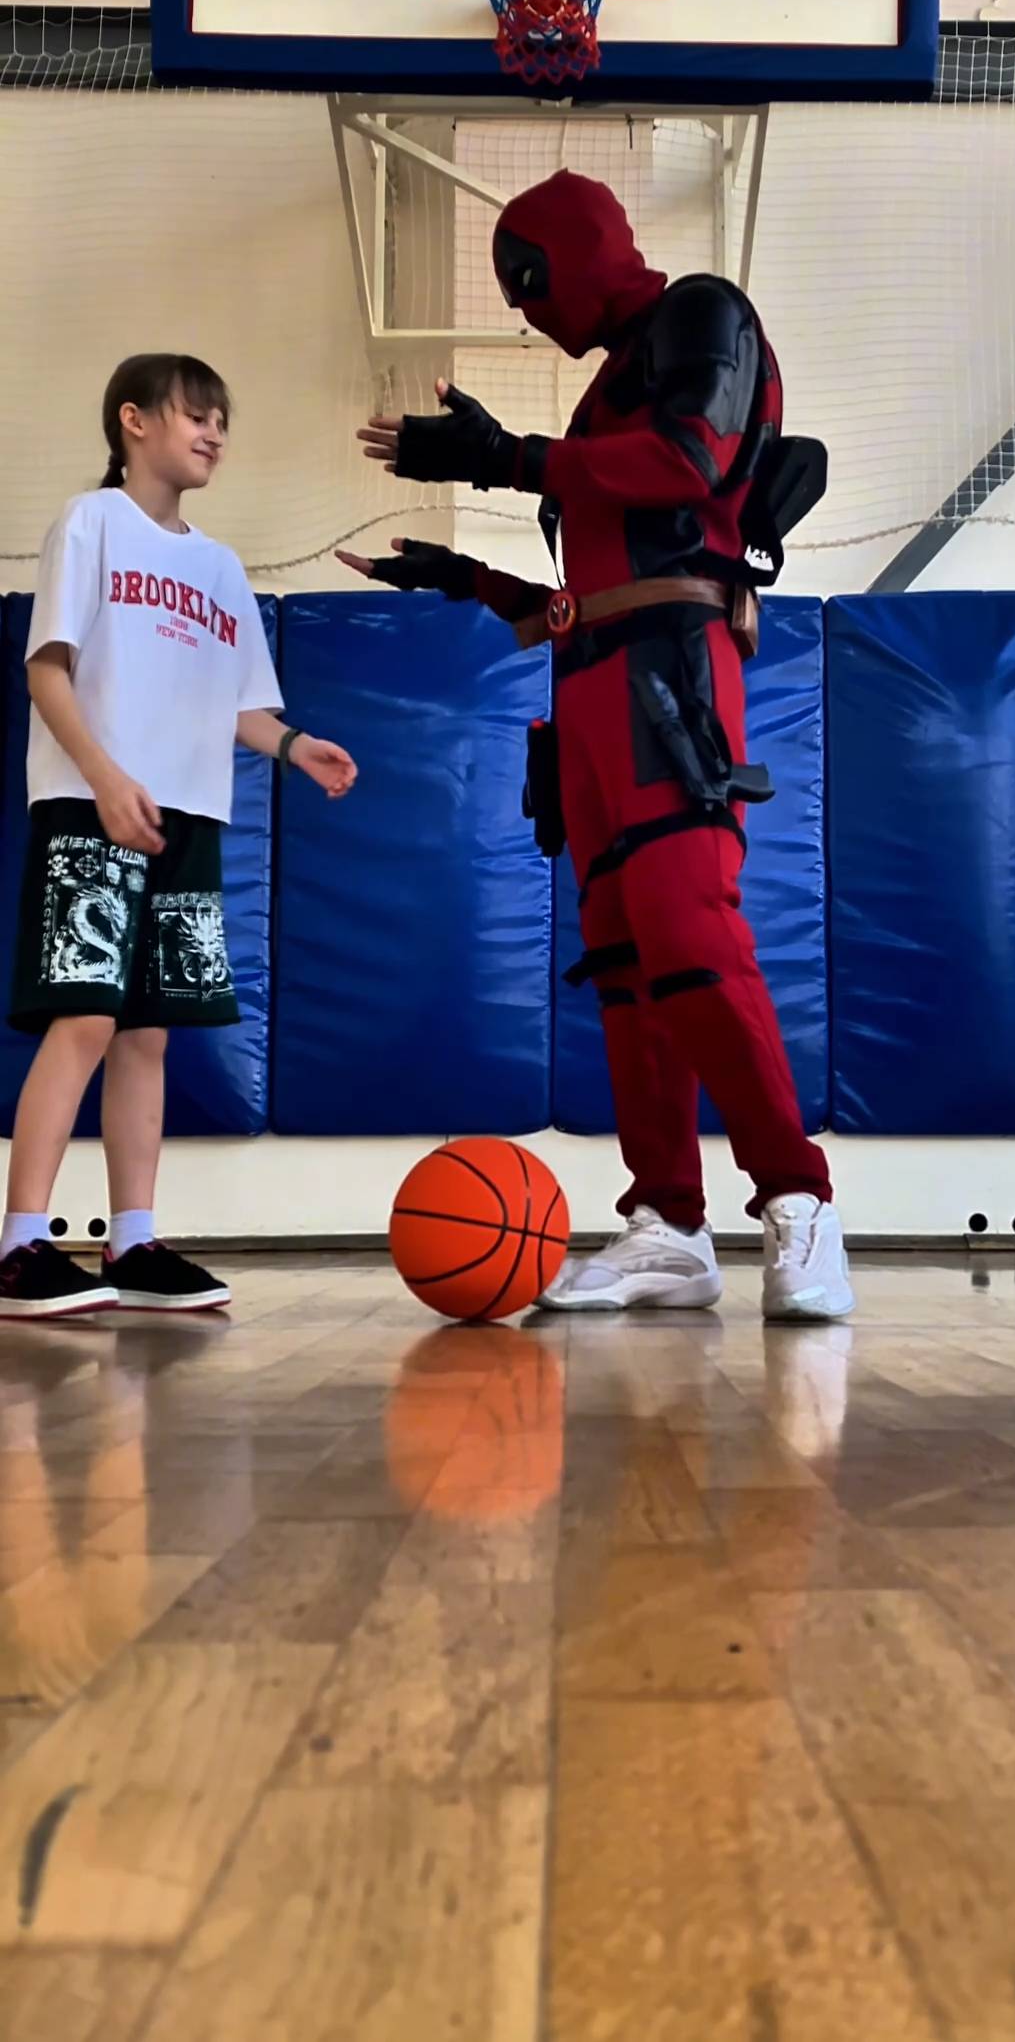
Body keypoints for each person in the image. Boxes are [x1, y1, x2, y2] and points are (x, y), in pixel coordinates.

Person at [339, 171, 852, 1323]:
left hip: (673, 675)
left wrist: (504, 457)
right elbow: (587, 594)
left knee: (690, 929)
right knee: (627, 963)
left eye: (527, 282)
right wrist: (463, 576)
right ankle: (668, 1222)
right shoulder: (600, 398)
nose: (526, 311)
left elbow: (687, 467)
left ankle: (798, 1198)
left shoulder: (703, 313)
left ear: (572, 256)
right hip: (590, 692)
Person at [0, 353, 358, 1323]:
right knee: (84, 1017)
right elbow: (47, 670)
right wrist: (105, 777)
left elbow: (241, 706)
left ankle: (134, 1240)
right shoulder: (91, 522)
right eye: (196, 415)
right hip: (93, 801)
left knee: (147, 1032)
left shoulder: (220, 568)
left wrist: (295, 746)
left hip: (186, 815)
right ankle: (20, 1243)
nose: (214, 433)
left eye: (221, 421)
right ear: (134, 421)